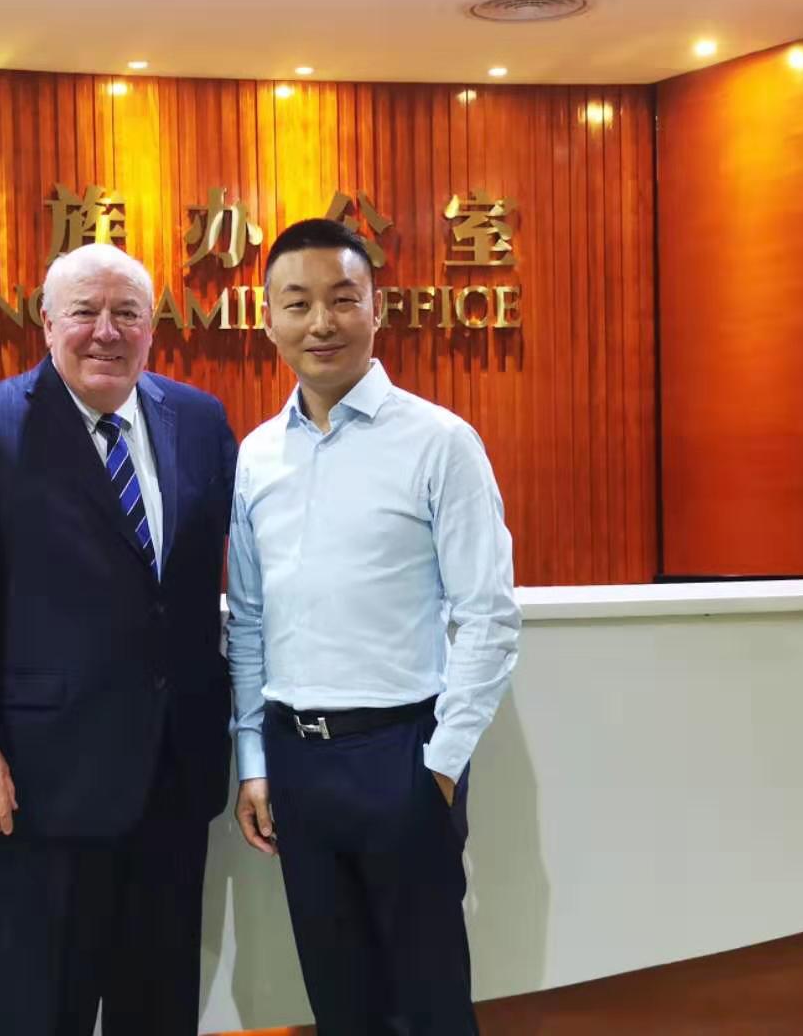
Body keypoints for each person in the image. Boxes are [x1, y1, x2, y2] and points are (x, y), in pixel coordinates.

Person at [0, 242, 238, 1035]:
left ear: (151, 326)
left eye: (126, 313)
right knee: (37, 1011)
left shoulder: (198, 421)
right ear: (47, 321)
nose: (105, 331)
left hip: (172, 777)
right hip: (38, 785)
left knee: (157, 1010)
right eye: (84, 312)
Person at [228, 217, 522, 1035]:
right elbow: (248, 621)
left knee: (427, 1001)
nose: (319, 322)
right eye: (296, 304)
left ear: (376, 309)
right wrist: (254, 761)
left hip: (403, 753)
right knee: (339, 1000)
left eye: (341, 299)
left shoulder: (438, 442)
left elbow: (489, 616)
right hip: (295, 761)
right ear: (268, 319)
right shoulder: (256, 456)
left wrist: (440, 766)